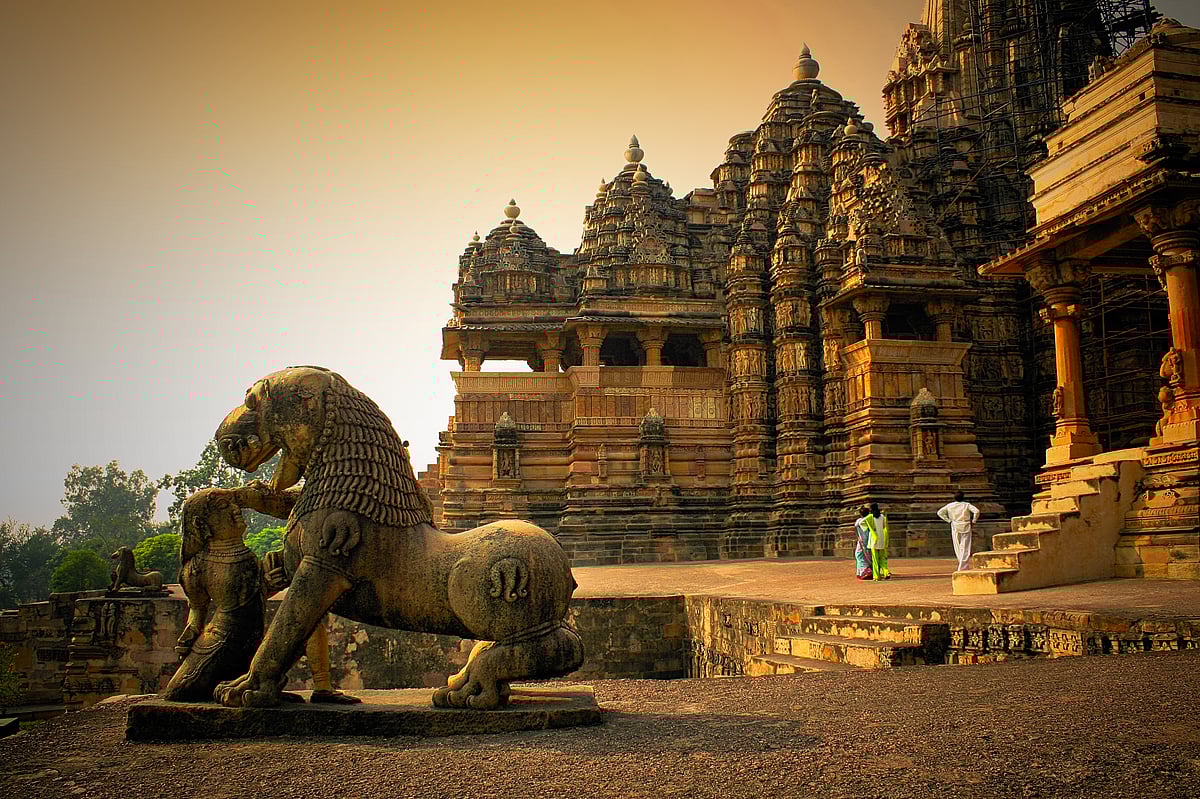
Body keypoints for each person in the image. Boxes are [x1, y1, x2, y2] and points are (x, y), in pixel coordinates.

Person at [938, 490, 981, 572]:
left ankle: (962, 564)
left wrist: (948, 520)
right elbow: (977, 511)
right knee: (965, 546)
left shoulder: (950, 505)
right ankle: (963, 565)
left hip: (955, 525)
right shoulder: (966, 505)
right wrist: (974, 521)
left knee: (957, 546)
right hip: (965, 524)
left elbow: (940, 512)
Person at [865, 503, 890, 581]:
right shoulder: (882, 516)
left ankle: (876, 576)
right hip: (882, 538)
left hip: (874, 539)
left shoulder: (870, 517)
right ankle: (886, 572)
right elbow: (884, 526)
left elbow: (861, 523)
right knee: (882, 558)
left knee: (875, 559)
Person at [853, 506, 872, 580]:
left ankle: (866, 570)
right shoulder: (870, 519)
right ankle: (860, 572)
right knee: (868, 555)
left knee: (859, 555)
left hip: (862, 540)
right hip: (870, 539)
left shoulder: (859, 521)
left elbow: (856, 529)